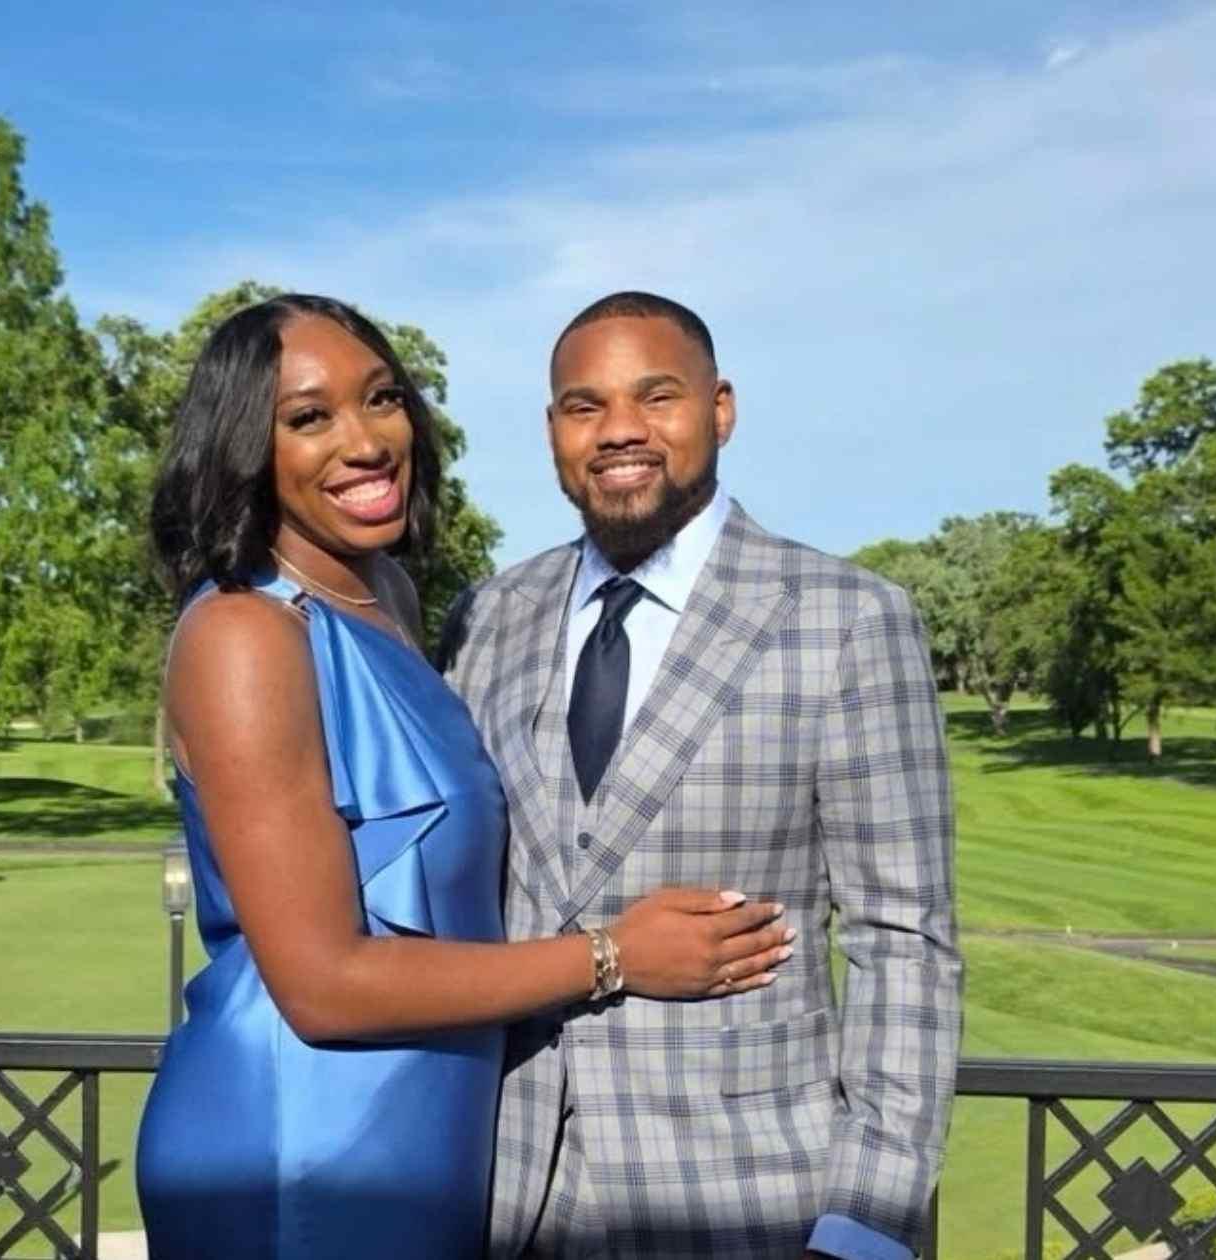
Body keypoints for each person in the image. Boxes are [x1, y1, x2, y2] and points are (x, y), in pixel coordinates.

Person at [132, 294, 793, 1259]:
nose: (364, 442)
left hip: (423, 1142)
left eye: (381, 399)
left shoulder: (388, 596)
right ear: (244, 449)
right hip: (300, 1146)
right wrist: (614, 956)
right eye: (308, 419)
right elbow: (322, 983)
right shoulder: (245, 633)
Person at [437, 292, 963, 1259]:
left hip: (751, 1200)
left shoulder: (844, 618)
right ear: (553, 429)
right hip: (504, 1198)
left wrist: (867, 1229)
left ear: (719, 410)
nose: (619, 431)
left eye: (657, 396)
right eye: (583, 405)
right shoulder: (489, 617)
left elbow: (905, 943)